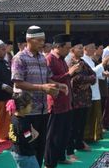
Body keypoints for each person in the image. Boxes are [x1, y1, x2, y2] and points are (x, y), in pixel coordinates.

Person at [12, 25, 68, 167]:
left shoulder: (42, 59)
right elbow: (18, 83)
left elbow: (48, 78)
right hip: (26, 111)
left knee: (40, 147)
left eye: (43, 40)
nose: (43, 43)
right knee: (27, 146)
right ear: (29, 40)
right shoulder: (20, 58)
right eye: (40, 40)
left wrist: (59, 85)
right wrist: (42, 88)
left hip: (43, 110)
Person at [44, 34, 78, 167]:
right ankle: (49, 163)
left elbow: (64, 78)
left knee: (64, 134)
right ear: (58, 46)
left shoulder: (62, 59)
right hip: (55, 103)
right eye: (67, 48)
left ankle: (60, 157)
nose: (69, 51)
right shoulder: (50, 59)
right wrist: (69, 74)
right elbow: (49, 80)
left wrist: (70, 74)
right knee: (53, 136)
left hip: (66, 103)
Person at [67, 37, 96, 157]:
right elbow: (75, 79)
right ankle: (71, 147)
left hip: (85, 99)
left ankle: (79, 143)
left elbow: (93, 75)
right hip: (75, 99)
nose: (81, 50)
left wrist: (88, 82)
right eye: (79, 48)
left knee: (82, 123)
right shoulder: (69, 63)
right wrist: (87, 80)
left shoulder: (83, 62)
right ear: (72, 50)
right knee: (73, 124)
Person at [82, 38, 109, 142]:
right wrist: (102, 64)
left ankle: (94, 136)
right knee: (89, 116)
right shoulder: (83, 60)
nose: (94, 50)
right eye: (92, 48)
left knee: (96, 114)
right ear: (85, 49)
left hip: (95, 90)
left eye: (94, 48)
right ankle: (86, 137)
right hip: (88, 92)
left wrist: (103, 73)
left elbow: (95, 74)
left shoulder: (90, 60)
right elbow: (91, 73)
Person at [9, 92, 39, 168]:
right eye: (30, 105)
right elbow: (28, 138)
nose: (32, 107)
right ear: (22, 108)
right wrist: (34, 135)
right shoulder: (23, 125)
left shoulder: (14, 117)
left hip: (16, 151)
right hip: (25, 154)